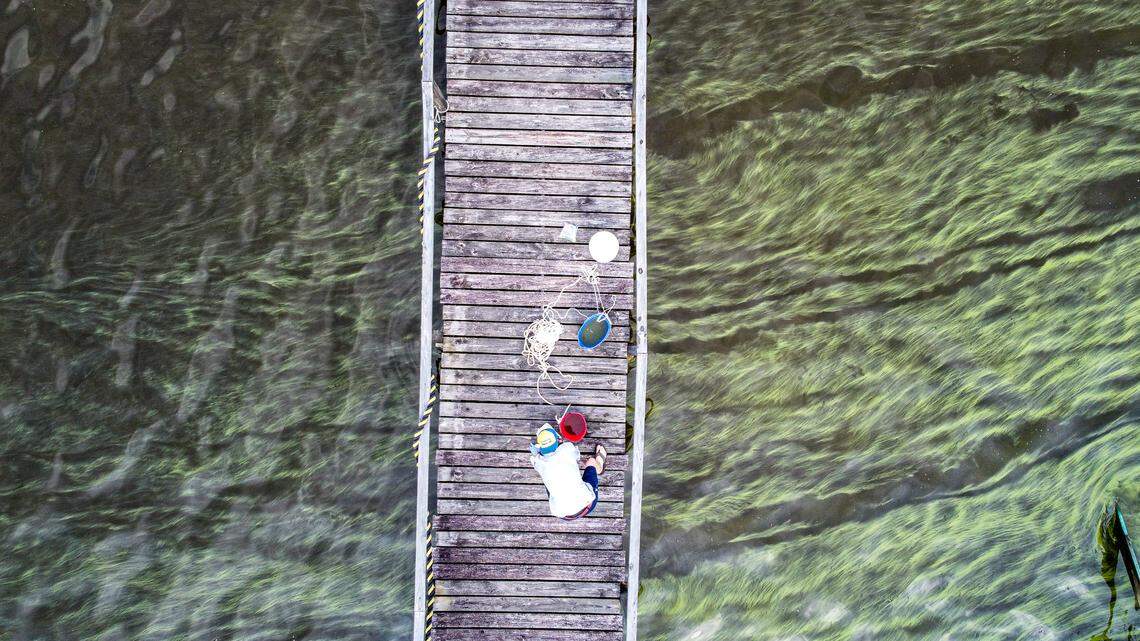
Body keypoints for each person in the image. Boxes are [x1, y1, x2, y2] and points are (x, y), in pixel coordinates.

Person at [528, 425, 607, 520]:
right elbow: (577, 456)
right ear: (559, 440)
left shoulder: (539, 462)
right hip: (588, 505)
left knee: (550, 478)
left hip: (565, 515)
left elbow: (535, 460)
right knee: (591, 462)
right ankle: (599, 466)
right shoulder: (567, 448)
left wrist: (537, 455)